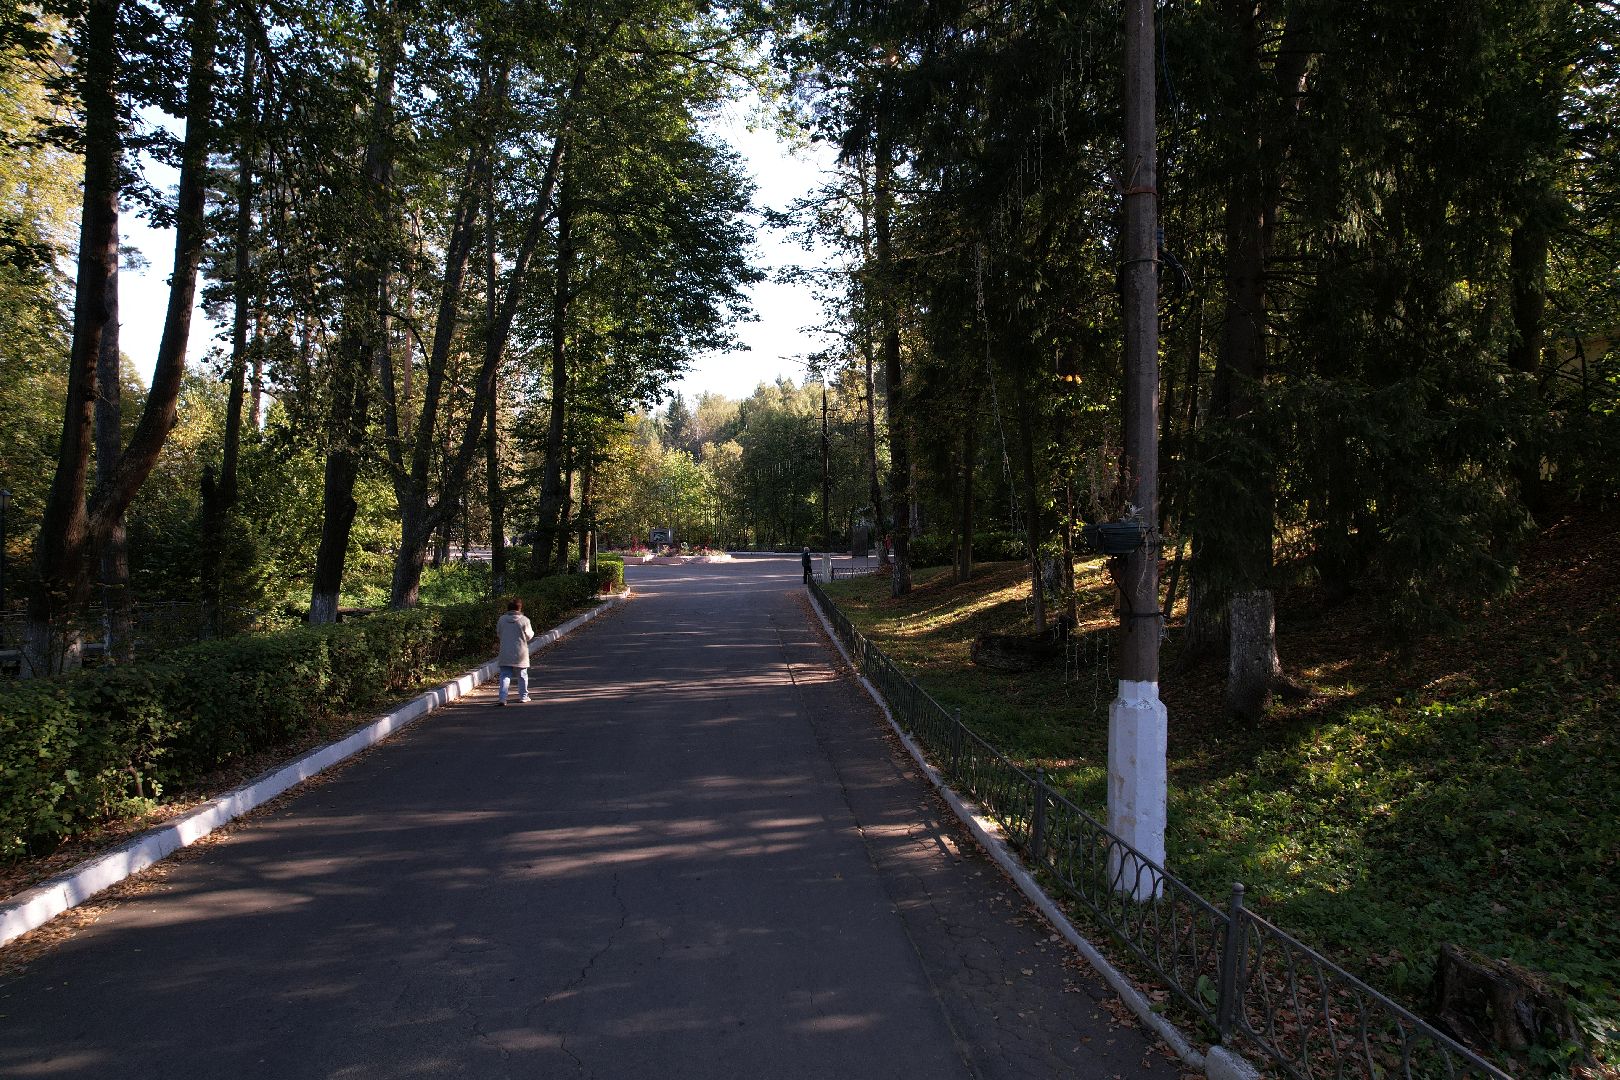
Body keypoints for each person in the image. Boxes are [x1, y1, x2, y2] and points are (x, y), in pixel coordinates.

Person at [496, 598, 535, 705]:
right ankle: (523, 696)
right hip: (520, 652)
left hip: (505, 651)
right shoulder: (524, 620)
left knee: (505, 675)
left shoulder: (502, 619)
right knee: (522, 675)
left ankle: (502, 698)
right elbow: (529, 635)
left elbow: (498, 633)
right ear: (520, 607)